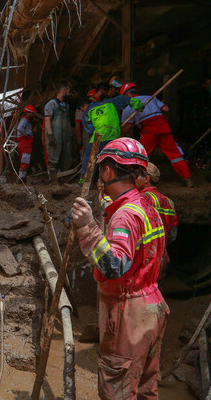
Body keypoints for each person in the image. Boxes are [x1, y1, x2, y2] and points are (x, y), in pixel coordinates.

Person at [72, 138, 167, 399]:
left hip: (129, 313)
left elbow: (114, 266)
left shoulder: (126, 214)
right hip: (153, 305)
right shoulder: (149, 205)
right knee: (146, 385)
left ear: (108, 171)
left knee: (118, 389)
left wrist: (88, 227)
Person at [121, 82, 194, 187]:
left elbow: (127, 127)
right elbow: (166, 109)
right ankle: (187, 179)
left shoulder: (128, 106)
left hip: (149, 131)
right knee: (175, 156)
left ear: (125, 95)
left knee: (139, 155)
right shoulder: (150, 98)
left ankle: (132, 182)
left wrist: (118, 134)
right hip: (164, 127)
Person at [80, 83, 135, 183]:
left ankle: (84, 182)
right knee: (112, 160)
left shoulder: (91, 108)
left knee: (90, 160)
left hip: (98, 137)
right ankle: (113, 181)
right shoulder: (113, 102)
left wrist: (95, 131)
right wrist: (136, 104)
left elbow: (88, 126)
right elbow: (125, 99)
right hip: (114, 136)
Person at [136, 162, 177, 278]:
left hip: (142, 259)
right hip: (161, 258)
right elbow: (172, 234)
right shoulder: (169, 202)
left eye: (135, 175)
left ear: (147, 178)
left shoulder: (139, 200)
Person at [44, 82, 73, 182]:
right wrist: (50, 135)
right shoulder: (52, 104)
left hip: (65, 137)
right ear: (63, 91)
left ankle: (64, 181)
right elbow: (47, 119)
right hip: (56, 137)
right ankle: (53, 182)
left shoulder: (66, 105)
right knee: (54, 158)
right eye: (68, 92)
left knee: (66, 158)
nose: (69, 94)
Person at [17, 105, 38, 180]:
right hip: (25, 143)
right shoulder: (24, 120)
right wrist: (26, 134)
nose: (33, 115)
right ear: (28, 113)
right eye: (32, 113)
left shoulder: (26, 121)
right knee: (25, 160)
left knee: (25, 159)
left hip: (26, 143)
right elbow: (19, 128)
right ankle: (21, 177)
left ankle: (22, 177)